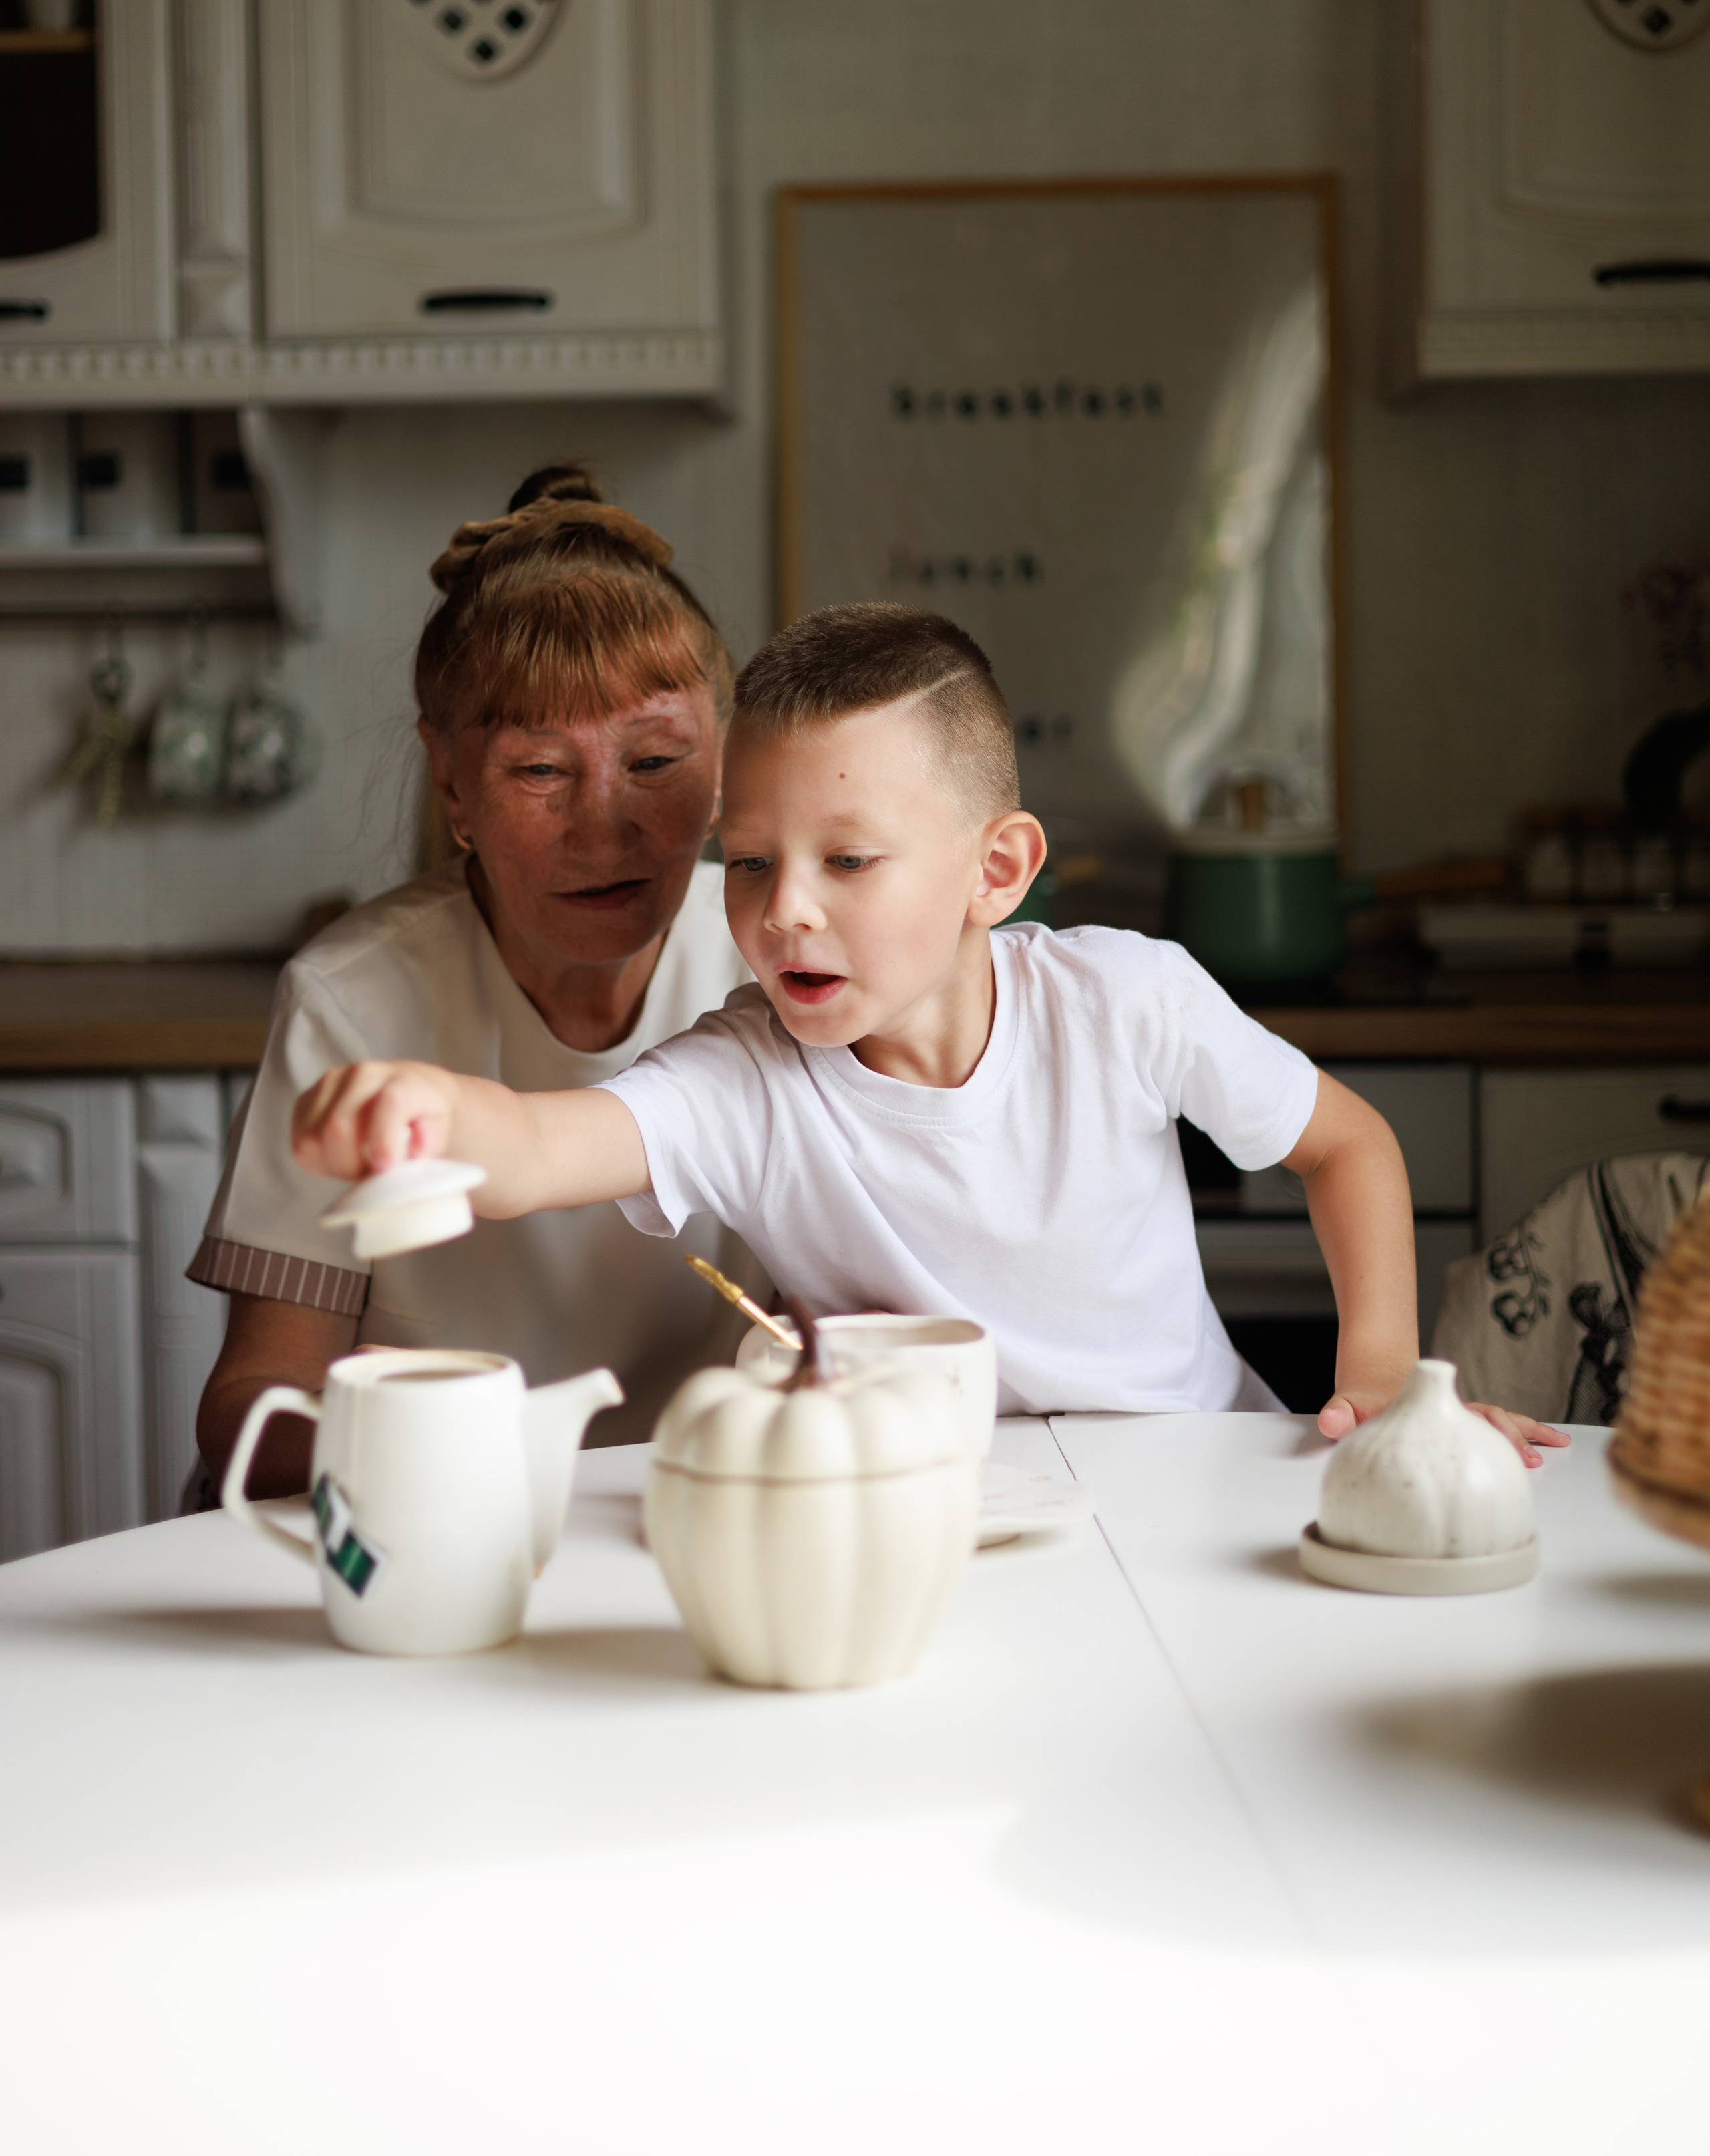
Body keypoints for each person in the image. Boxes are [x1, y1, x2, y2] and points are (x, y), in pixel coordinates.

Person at [289, 603, 1567, 1460]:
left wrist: (1385, 1363)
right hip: (939, 1511)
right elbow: (534, 1144)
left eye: (849, 860)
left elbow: (1348, 1146)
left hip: (1199, 1475)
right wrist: (420, 1113)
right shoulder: (749, 1076)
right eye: (748, 864)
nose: (784, 912)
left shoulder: (1126, 998)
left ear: (995, 871)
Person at [194, 465, 763, 1499]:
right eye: (541, 771)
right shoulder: (352, 1001)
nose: (605, 825)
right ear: (452, 781)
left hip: (690, 1523)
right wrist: (430, 1461)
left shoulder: (779, 967)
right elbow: (255, 1404)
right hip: (433, 1520)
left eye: (654, 762)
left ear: (722, 764)